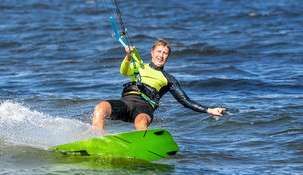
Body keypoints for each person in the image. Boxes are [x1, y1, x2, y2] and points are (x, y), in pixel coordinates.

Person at [92, 38, 226, 131]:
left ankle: (142, 145)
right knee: (100, 108)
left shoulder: (168, 79)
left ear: (168, 57)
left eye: (165, 53)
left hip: (144, 107)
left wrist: (209, 110)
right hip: (126, 102)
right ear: (152, 53)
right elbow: (124, 71)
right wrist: (128, 56)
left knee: (141, 121)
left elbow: (185, 101)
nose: (161, 56)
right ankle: (97, 139)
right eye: (159, 52)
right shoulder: (139, 66)